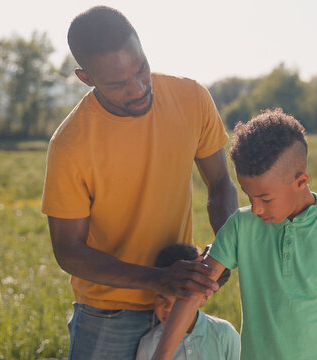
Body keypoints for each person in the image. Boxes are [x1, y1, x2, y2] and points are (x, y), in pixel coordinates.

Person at [40, 6, 238, 360]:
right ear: (86, 78)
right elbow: (68, 250)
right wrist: (156, 279)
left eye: (141, 69)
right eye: (118, 84)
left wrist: (223, 251)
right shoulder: (70, 144)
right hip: (108, 313)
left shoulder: (191, 98)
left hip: (178, 302)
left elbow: (221, 184)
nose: (138, 88)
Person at [152, 108, 317, 360]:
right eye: (248, 195)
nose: (255, 208)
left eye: (265, 198)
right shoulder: (241, 226)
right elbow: (194, 291)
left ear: (301, 182)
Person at [135, 244, 240, 360]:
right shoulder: (149, 344)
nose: (168, 308)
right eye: (161, 297)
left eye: (179, 301)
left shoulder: (224, 334)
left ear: (203, 298)